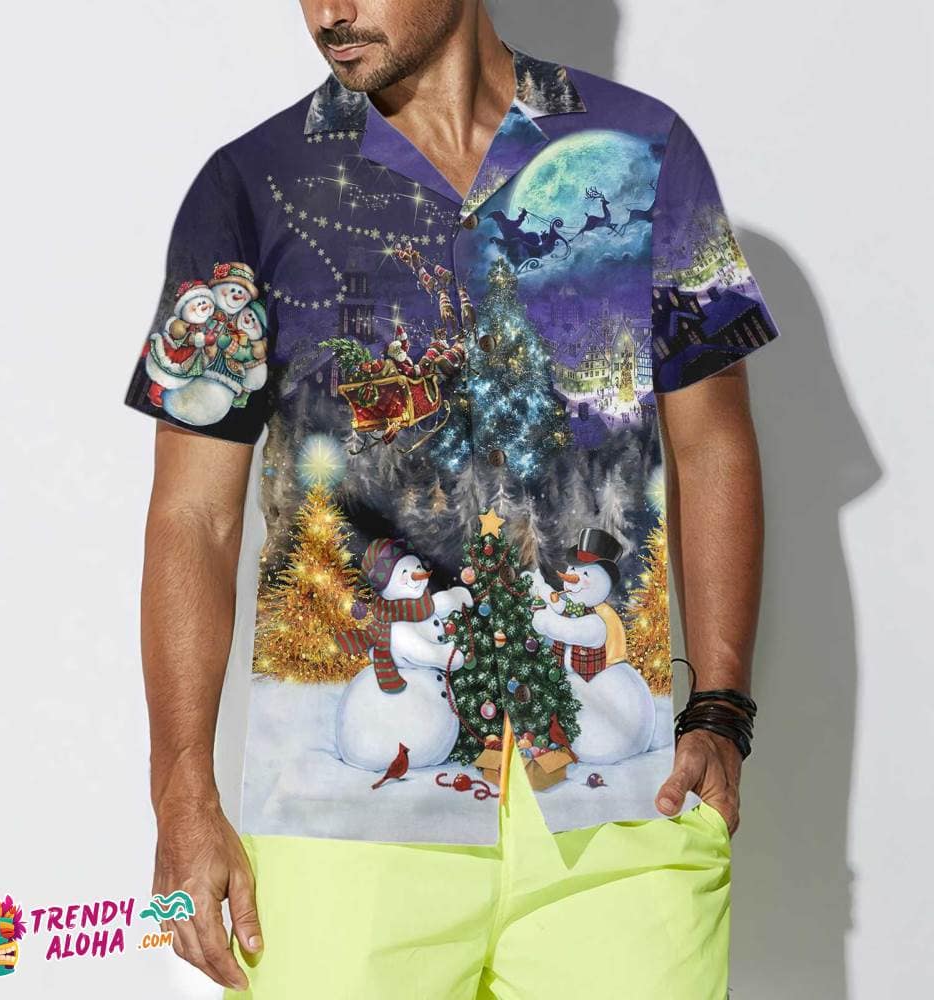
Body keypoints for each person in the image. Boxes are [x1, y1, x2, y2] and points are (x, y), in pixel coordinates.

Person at [124, 2, 779, 996]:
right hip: (344, 831)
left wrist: (721, 711)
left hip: (620, 812)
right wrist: (181, 800)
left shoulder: (641, 152)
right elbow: (193, 516)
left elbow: (714, 440)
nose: (329, 12)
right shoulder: (252, 187)